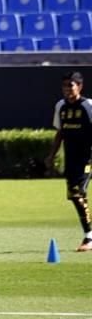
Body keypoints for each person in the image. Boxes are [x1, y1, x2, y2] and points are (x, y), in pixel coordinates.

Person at [46, 71, 92, 252]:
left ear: (79, 87)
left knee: (77, 193)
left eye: (70, 85)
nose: (67, 89)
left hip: (87, 158)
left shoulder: (88, 106)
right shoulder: (61, 106)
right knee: (76, 196)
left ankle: (89, 236)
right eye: (64, 86)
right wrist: (52, 155)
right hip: (71, 159)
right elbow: (61, 133)